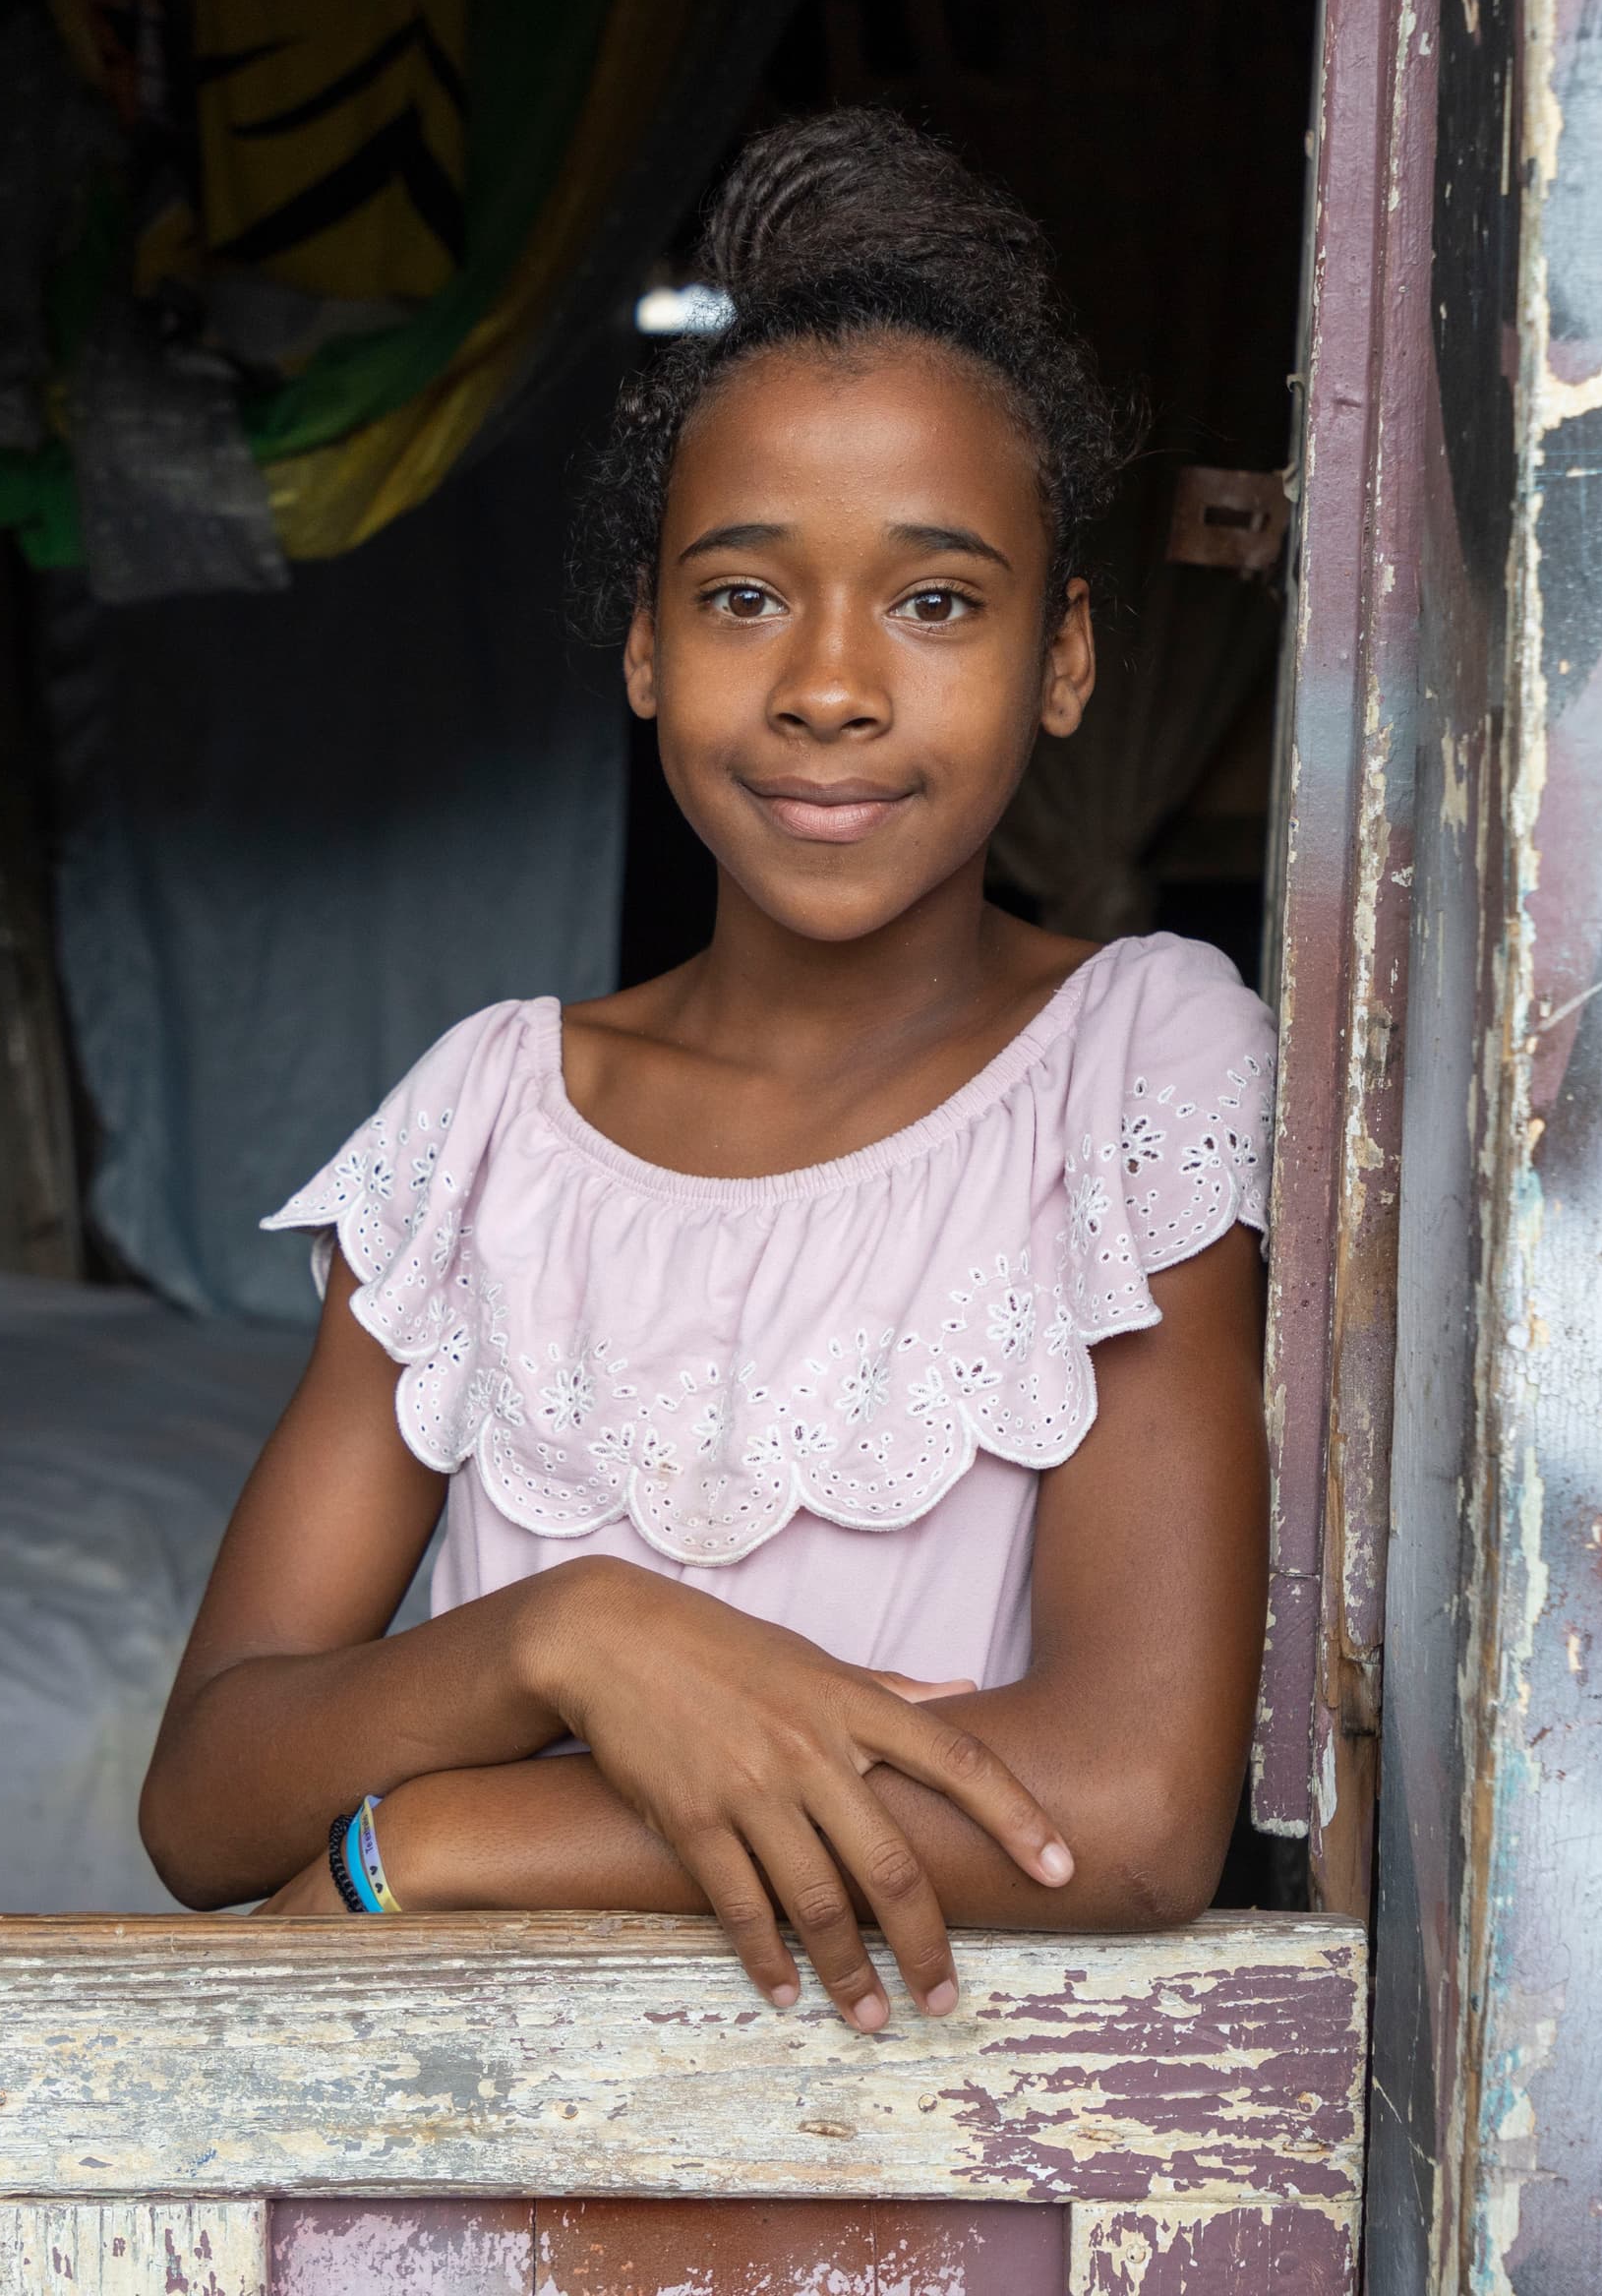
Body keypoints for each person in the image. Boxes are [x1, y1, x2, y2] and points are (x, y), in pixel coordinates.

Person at [138, 109, 1273, 2036]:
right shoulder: (485, 1120)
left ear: (1064, 652)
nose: (829, 683)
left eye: (936, 599)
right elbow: (208, 1787)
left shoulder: (1139, 1061)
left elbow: (1129, 1808)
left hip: (938, 2173)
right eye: (746, 594)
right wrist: (573, 1640)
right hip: (470, 2159)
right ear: (651, 648)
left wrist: (463, 1833)